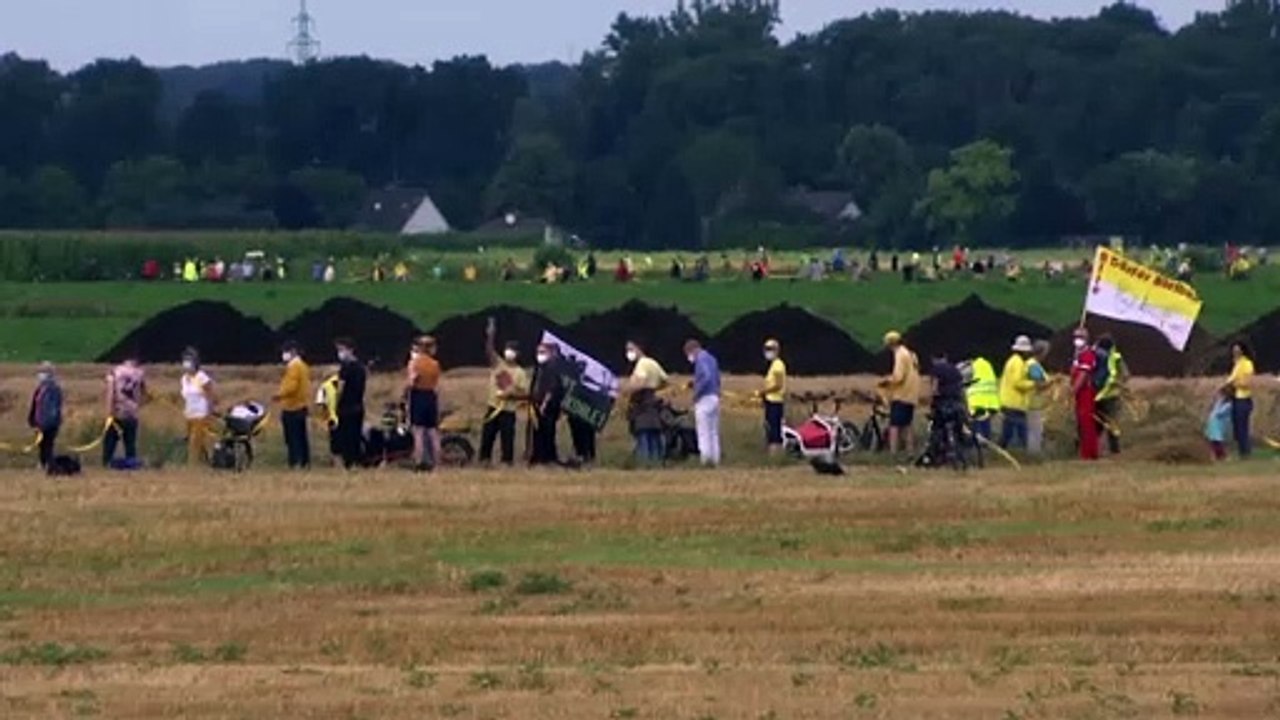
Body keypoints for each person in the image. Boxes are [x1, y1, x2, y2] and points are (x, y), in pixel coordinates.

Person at [481, 320, 529, 467]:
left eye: (512, 350)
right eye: (507, 349)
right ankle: (484, 460)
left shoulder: (520, 372)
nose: (509, 352)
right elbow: (489, 351)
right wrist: (490, 335)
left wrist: (510, 395)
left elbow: (524, 394)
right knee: (487, 435)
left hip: (508, 410)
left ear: (517, 353)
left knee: (507, 438)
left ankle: (507, 462)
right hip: (493, 407)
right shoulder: (498, 364)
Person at [625, 341, 669, 465]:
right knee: (654, 433)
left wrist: (627, 389)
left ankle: (644, 462)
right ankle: (657, 462)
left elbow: (641, 382)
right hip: (652, 400)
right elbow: (666, 380)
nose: (628, 352)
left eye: (631, 349)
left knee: (643, 432)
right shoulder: (653, 363)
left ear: (639, 348)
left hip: (642, 402)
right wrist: (655, 388)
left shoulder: (642, 364)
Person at [879, 332, 920, 456]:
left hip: (901, 394)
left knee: (894, 425)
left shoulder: (900, 355)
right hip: (912, 395)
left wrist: (886, 381)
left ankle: (893, 453)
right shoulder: (911, 354)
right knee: (907, 425)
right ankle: (910, 452)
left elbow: (898, 377)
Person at [273, 341, 312, 470]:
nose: (284, 355)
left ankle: (295, 462)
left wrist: (279, 395)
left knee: (292, 437)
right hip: (302, 405)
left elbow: (291, 386)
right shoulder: (303, 365)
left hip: (292, 406)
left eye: (286, 352)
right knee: (302, 437)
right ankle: (305, 462)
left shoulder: (294, 367)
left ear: (293, 351)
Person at [407, 336, 442, 472]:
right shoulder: (435, 364)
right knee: (433, 431)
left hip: (418, 396)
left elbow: (412, 381)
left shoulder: (414, 363)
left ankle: (419, 461)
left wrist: (405, 393)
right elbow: (436, 384)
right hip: (431, 396)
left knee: (418, 431)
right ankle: (437, 463)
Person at [103, 356, 146, 467]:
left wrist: (109, 413)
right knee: (130, 445)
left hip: (117, 413)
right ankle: (131, 464)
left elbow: (110, 393)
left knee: (110, 443)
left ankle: (107, 464)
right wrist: (137, 406)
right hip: (132, 414)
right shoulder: (140, 373)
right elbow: (143, 393)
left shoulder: (114, 372)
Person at [686, 339, 721, 467]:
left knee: (703, 432)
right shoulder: (712, 359)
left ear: (693, 350)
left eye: (688, 354)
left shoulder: (700, 359)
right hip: (715, 397)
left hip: (704, 399)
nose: (689, 358)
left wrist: (696, 393)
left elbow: (706, 377)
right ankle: (715, 460)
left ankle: (705, 460)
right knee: (713, 431)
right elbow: (716, 378)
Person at [333, 338, 367, 470]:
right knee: (355, 435)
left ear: (350, 350)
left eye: (341, 350)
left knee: (345, 435)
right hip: (358, 406)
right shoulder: (361, 367)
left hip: (345, 407)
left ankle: (347, 462)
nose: (340, 353)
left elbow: (340, 387)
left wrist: (335, 401)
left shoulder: (346, 368)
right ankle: (356, 461)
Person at [529, 342, 565, 466]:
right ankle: (538, 456)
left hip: (548, 407)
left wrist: (544, 404)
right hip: (536, 405)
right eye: (538, 352)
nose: (539, 355)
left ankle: (548, 458)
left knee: (547, 432)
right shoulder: (539, 368)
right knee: (537, 432)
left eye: (543, 352)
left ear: (549, 354)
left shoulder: (552, 369)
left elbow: (551, 388)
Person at [180, 348, 217, 467]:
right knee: (194, 442)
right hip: (189, 414)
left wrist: (210, 412)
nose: (186, 363)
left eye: (189, 360)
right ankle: (205, 463)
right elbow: (185, 396)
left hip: (201, 414)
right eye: (185, 360)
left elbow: (210, 394)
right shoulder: (184, 379)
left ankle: (192, 466)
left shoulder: (202, 377)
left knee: (195, 442)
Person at [998, 336, 1035, 450]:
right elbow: (1017, 383)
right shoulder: (1018, 362)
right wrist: (1033, 383)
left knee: (1008, 432)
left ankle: (1000, 450)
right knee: (1021, 432)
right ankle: (1024, 453)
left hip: (1009, 402)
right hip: (1015, 403)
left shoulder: (1012, 361)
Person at [1093, 335, 1128, 455]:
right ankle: (1114, 450)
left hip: (1096, 394)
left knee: (1096, 423)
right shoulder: (1115, 357)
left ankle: (1092, 449)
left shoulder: (1093, 355)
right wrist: (1118, 383)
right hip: (1111, 396)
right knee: (1112, 423)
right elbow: (1125, 375)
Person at [1071, 328, 1100, 461]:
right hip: (1080, 393)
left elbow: (1082, 376)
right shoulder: (1078, 355)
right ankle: (1086, 451)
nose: (1077, 339)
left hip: (1085, 391)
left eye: (1080, 337)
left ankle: (1089, 453)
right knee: (1081, 422)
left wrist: (1073, 391)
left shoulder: (1088, 355)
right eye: (1076, 336)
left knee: (1086, 421)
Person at [1223, 340, 1255, 458]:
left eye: (1237, 350)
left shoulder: (1247, 364)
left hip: (1243, 398)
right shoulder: (1236, 364)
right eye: (1234, 350)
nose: (1235, 352)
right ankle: (1242, 451)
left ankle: (1245, 452)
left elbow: (1247, 383)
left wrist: (1233, 385)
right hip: (1235, 398)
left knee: (1242, 427)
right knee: (1237, 427)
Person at [28, 362, 63, 470]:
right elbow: (35, 404)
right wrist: (32, 420)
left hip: (49, 424)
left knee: (48, 445)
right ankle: (43, 463)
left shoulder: (54, 389)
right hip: (39, 422)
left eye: (43, 372)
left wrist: (46, 423)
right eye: (40, 371)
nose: (40, 375)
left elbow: (52, 408)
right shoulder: (40, 389)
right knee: (41, 445)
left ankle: (49, 464)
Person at [761, 339, 787, 456]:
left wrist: (764, 391)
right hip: (770, 400)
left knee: (774, 428)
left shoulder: (778, 365)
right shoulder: (773, 365)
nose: (768, 352)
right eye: (767, 349)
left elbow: (778, 384)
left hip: (775, 401)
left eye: (771, 349)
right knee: (769, 426)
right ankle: (771, 451)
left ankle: (775, 453)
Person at [964, 356, 1000, 440]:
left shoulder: (972, 366)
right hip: (989, 401)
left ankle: (976, 442)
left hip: (976, 400)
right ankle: (986, 441)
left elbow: (965, 381)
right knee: (985, 422)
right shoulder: (988, 365)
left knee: (975, 424)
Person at [1026, 340, 1051, 455]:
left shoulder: (1032, 364)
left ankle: (1034, 452)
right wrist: (1051, 383)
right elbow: (1037, 384)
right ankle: (1034, 454)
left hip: (1034, 402)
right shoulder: (1033, 365)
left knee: (1035, 429)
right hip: (1033, 402)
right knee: (1035, 430)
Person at [1205, 389, 1234, 462]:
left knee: (1217, 439)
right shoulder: (1218, 402)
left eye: (1220, 394)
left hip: (1218, 422)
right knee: (1214, 439)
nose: (1217, 396)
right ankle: (1218, 455)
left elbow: (1220, 413)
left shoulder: (1228, 404)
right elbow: (1215, 411)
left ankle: (1220, 455)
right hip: (1214, 421)